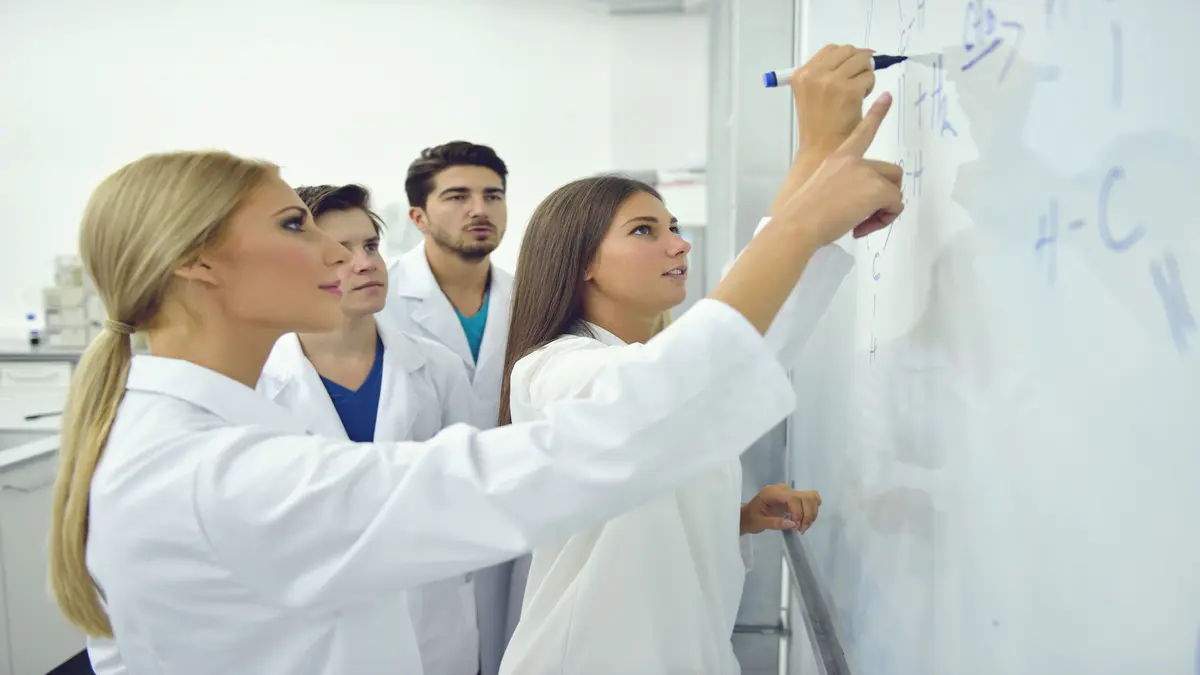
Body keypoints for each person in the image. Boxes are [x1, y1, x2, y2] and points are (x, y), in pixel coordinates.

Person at [47, 46, 900, 675]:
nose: (340, 254)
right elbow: (612, 434)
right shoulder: (214, 471)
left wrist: (806, 219)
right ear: (199, 263)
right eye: (294, 225)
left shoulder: (202, 435)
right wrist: (799, 218)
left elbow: (664, 412)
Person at [495, 45, 884, 675]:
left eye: (672, 225)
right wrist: (813, 168)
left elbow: (639, 487)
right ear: (582, 261)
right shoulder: (553, 371)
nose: (678, 244)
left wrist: (736, 518)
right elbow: (692, 376)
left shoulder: (647, 361)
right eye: (645, 231)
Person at [256, 184, 481, 675]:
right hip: (311, 630)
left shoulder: (436, 368)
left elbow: (469, 491)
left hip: (428, 617)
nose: (365, 264)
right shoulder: (256, 381)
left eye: (371, 247)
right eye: (340, 254)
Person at [382, 140, 526, 673]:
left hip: (513, 516)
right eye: (458, 196)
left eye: (493, 195)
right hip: (417, 521)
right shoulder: (380, 297)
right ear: (418, 216)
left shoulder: (533, 299)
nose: (479, 210)